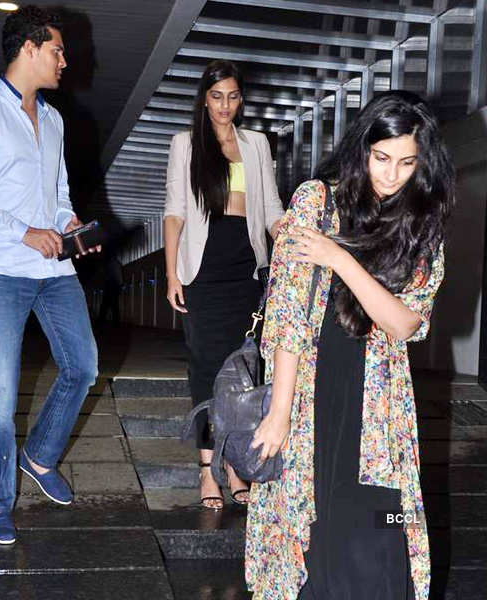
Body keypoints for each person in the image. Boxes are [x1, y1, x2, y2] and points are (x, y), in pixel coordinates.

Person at [245, 90, 455, 599]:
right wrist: (279, 409)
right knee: (312, 529)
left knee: (382, 528)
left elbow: (406, 324)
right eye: (382, 158)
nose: (391, 175)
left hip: (380, 404)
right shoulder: (315, 201)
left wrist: (341, 260)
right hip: (312, 392)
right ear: (363, 148)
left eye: (407, 163)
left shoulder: (422, 225)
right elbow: (288, 315)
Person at [0, 5, 99, 545]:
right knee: (0, 396)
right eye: (57, 50)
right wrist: (23, 230)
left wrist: (67, 221)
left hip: (53, 268)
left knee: (83, 365)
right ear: (28, 49)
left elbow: (56, 195)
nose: (64, 59)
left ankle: (40, 456)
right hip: (1, 271)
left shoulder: (53, 120)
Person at [164, 60, 284, 510]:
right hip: (203, 265)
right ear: (204, 98)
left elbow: (271, 208)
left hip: (244, 266)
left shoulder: (256, 144)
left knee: (246, 370)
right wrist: (173, 272)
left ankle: (236, 465)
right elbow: (174, 211)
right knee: (206, 368)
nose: (225, 106)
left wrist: (297, 242)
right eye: (217, 96)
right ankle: (206, 471)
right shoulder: (185, 144)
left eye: (233, 96)